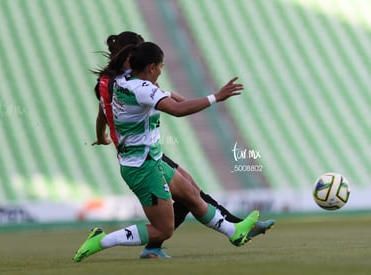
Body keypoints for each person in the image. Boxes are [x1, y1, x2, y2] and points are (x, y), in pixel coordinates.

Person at [85, 32, 275, 260]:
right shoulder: (134, 87)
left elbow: (106, 112)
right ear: (142, 63)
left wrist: (101, 135)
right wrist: (215, 97)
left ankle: (234, 230)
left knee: (191, 193)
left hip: (148, 155)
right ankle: (123, 243)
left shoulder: (117, 81)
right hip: (140, 160)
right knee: (168, 222)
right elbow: (171, 108)